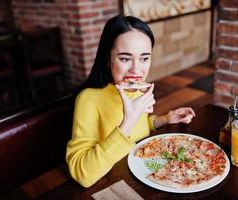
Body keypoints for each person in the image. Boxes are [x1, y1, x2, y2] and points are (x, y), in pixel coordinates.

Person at [66, 15, 195, 188]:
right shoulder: (89, 98)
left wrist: (163, 119)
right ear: (107, 58)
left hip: (142, 171)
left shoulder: (136, 90)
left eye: (144, 58)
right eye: (125, 58)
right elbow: (82, 174)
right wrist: (128, 121)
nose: (136, 70)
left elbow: (138, 130)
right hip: (111, 181)